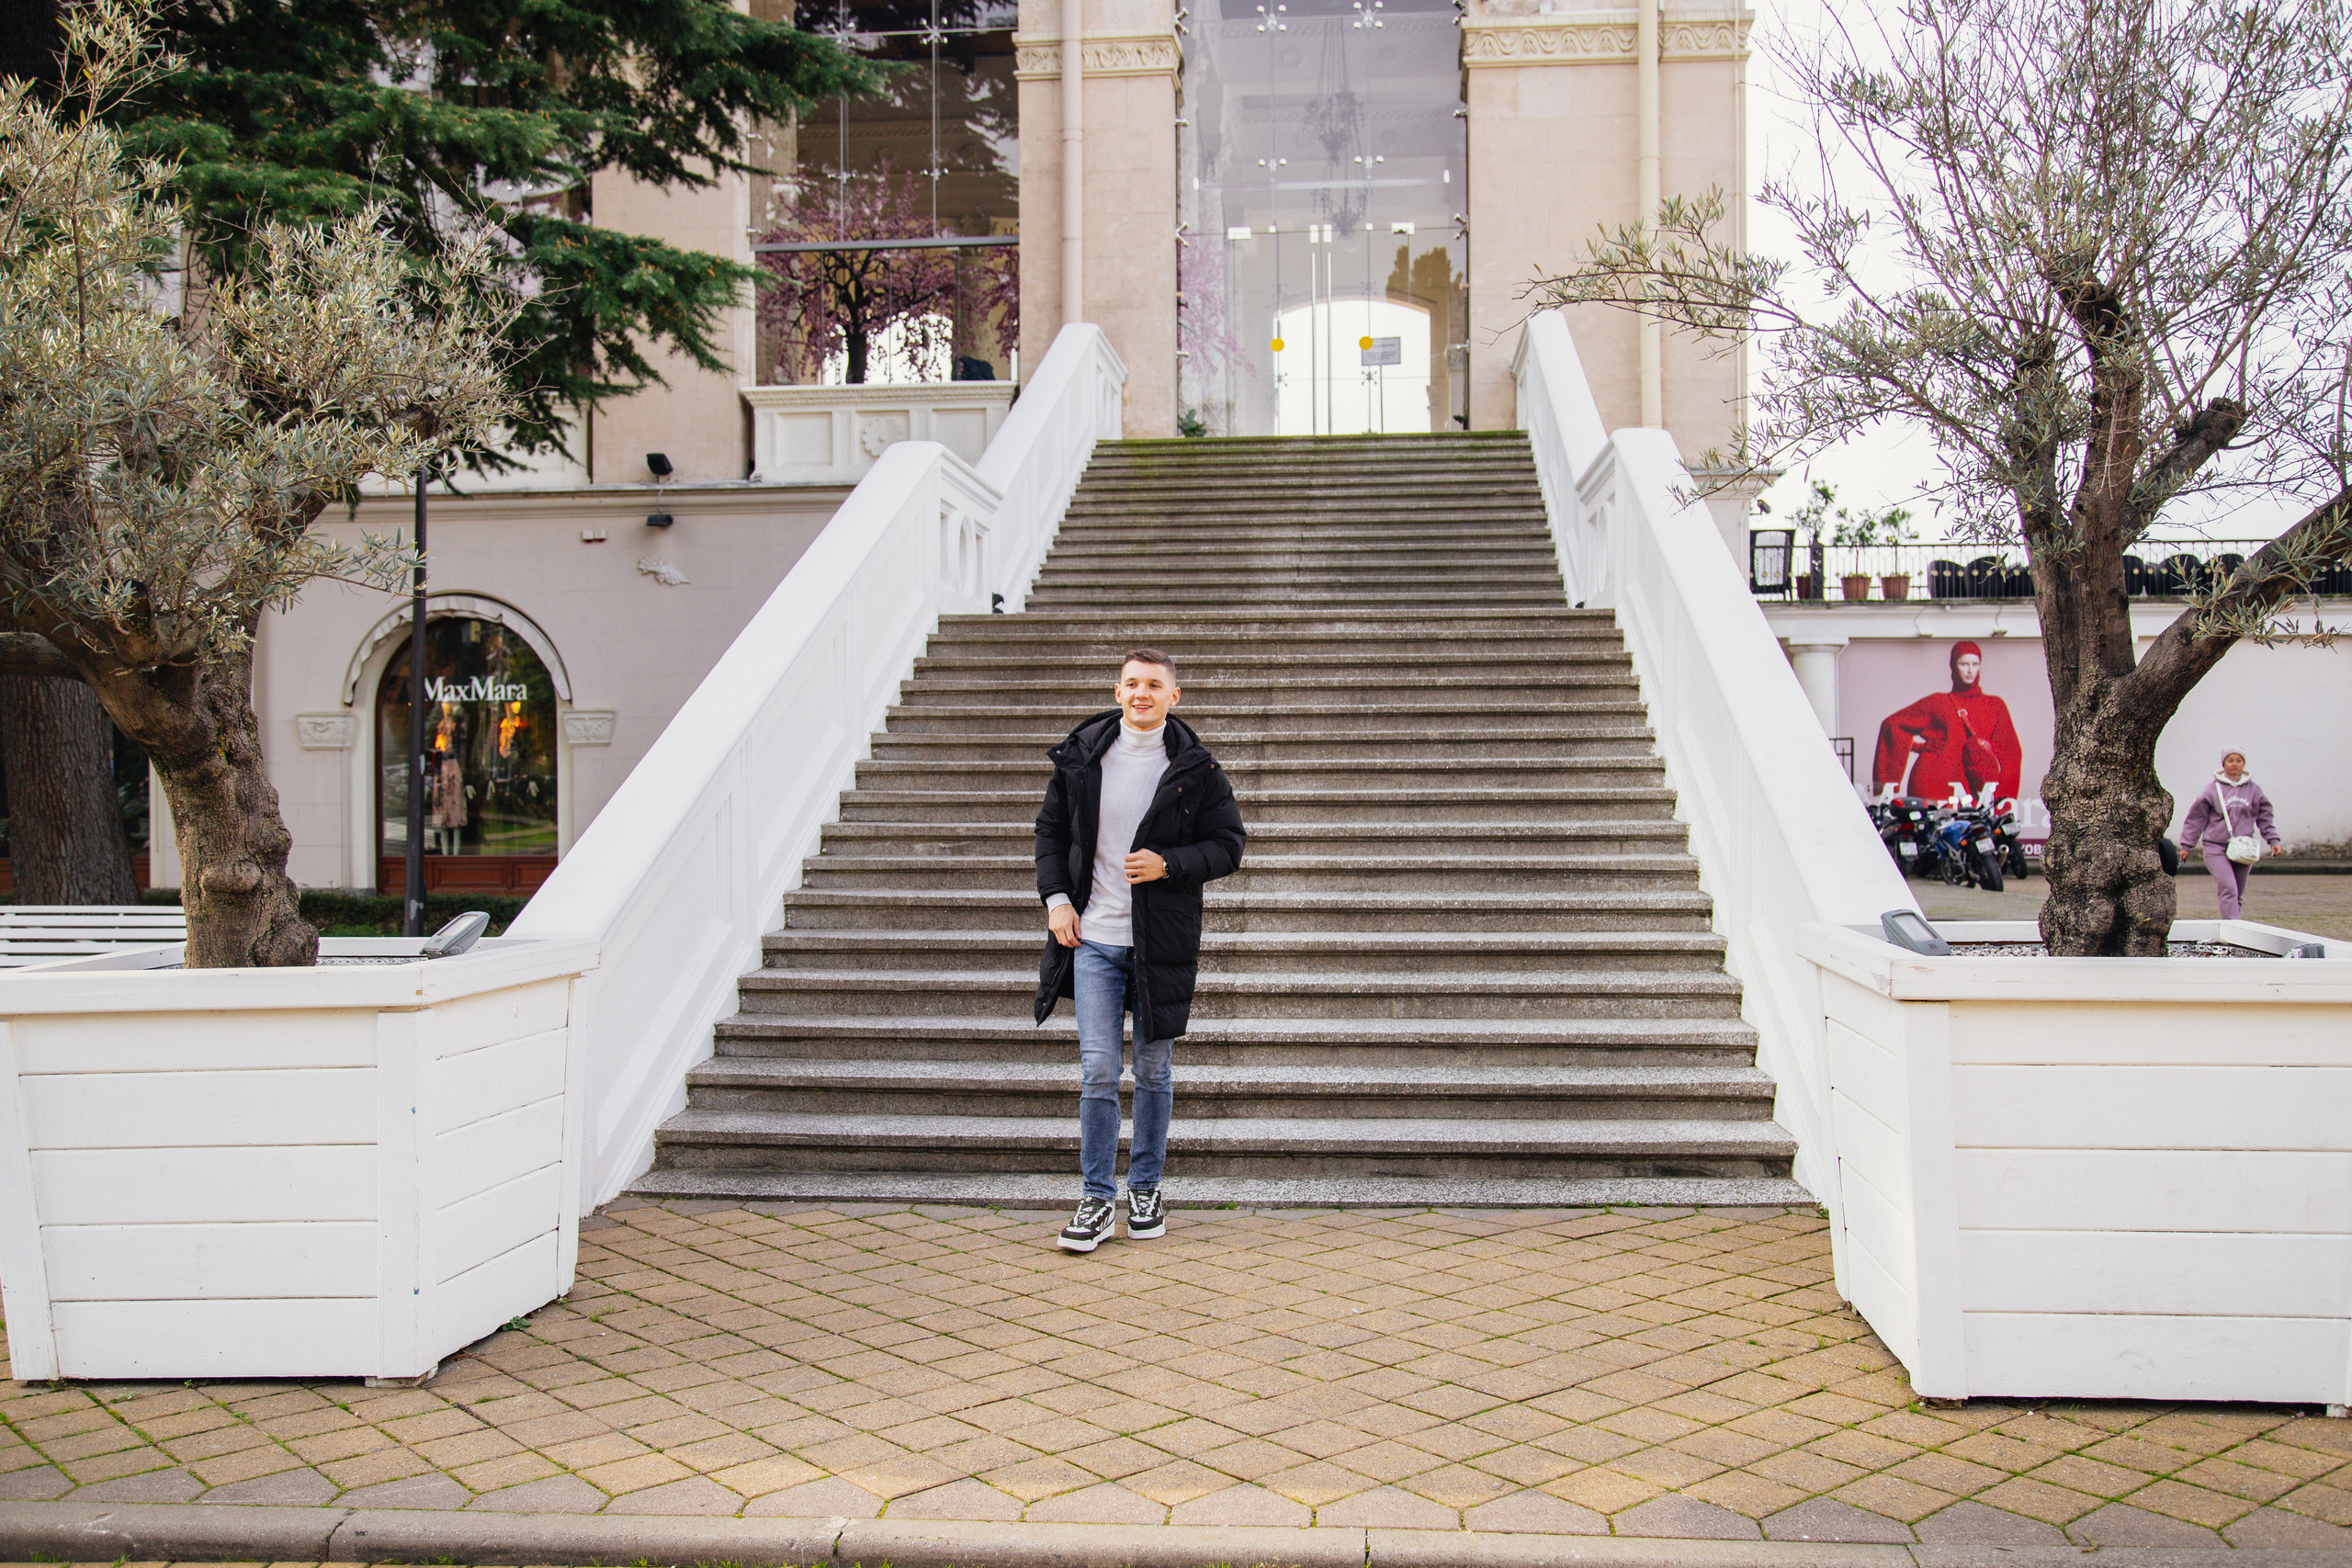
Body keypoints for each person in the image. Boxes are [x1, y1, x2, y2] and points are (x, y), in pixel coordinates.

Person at [1032, 649, 1246, 1253]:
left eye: (1154, 684)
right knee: (1100, 1069)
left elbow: (1230, 845)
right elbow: (1050, 830)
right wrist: (1055, 899)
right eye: (1132, 683)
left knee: (1152, 1070)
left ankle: (1146, 1186)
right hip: (1094, 938)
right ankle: (1098, 1196)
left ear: (1174, 696)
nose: (1142, 692)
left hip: (1160, 944)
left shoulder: (1196, 768)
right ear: (1118, 690)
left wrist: (1169, 863)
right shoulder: (1082, 755)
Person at [1871, 640, 2023, 807]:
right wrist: (1917, 747)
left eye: (1975, 664)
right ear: (1953, 666)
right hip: (1932, 783)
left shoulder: (1995, 705)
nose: (1970, 670)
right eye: (1964, 664)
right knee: (1929, 831)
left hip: (1973, 788)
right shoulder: (1938, 702)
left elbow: (2011, 754)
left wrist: (2002, 801)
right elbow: (1891, 724)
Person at [2178, 750, 2283, 920]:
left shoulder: (2254, 790)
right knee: (2229, 889)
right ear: (2224, 764)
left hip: (2243, 847)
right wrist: (2186, 845)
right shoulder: (2212, 789)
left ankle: (2234, 929)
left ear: (2244, 764)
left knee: (2238, 893)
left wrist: (2273, 840)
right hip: (2215, 847)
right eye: (2230, 760)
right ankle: (2232, 930)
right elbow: (2196, 818)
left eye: (2239, 760)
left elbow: (2265, 818)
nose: (2235, 764)